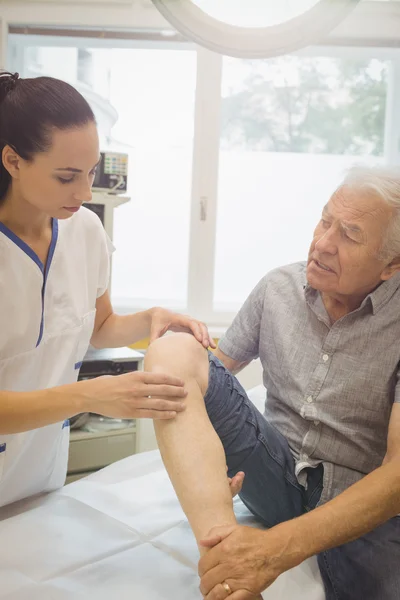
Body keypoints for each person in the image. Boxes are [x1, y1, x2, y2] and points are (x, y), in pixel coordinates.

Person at [144, 166, 400, 600]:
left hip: (358, 499)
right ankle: (231, 578)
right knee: (173, 350)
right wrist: (200, 462)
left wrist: (275, 551)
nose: (322, 243)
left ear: (391, 265)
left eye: (350, 236)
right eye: (324, 220)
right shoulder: (278, 288)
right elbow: (204, 377)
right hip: (272, 470)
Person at [0, 71, 217, 509]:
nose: (84, 191)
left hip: (38, 480)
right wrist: (89, 396)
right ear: (14, 161)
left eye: (91, 172)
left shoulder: (84, 230)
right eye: (66, 177)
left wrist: (148, 318)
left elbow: (98, 326)